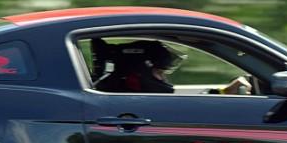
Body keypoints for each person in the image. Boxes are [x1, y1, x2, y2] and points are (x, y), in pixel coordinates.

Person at [93, 38, 251, 95]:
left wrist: (225, 91)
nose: (164, 78)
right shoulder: (128, 101)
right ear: (140, 71)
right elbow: (192, 111)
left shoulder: (118, 93)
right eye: (160, 72)